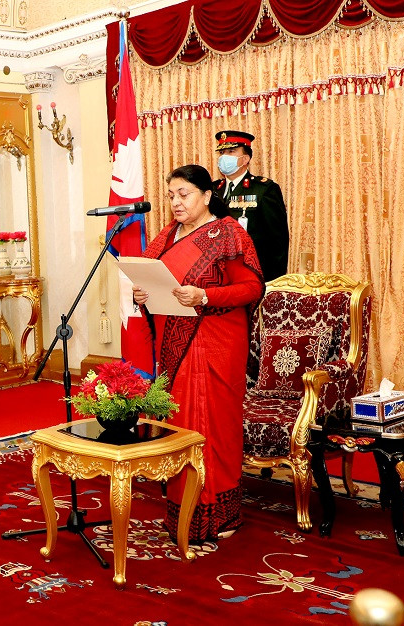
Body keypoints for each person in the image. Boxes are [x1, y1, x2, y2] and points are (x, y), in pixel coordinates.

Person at [132, 164, 264, 543]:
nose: (175, 201)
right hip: (175, 344)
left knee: (212, 428)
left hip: (216, 343)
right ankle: (183, 511)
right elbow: (154, 281)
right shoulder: (166, 237)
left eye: (184, 193)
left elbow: (252, 288)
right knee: (180, 427)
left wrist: (205, 296)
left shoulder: (228, 234)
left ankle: (218, 515)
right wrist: (144, 296)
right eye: (171, 194)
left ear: (207, 195)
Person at [212, 130, 289, 281]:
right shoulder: (212, 189)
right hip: (217, 273)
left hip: (251, 273)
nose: (224, 157)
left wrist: (273, 282)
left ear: (245, 158)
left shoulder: (263, 189)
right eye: (221, 153)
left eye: (231, 151)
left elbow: (277, 241)